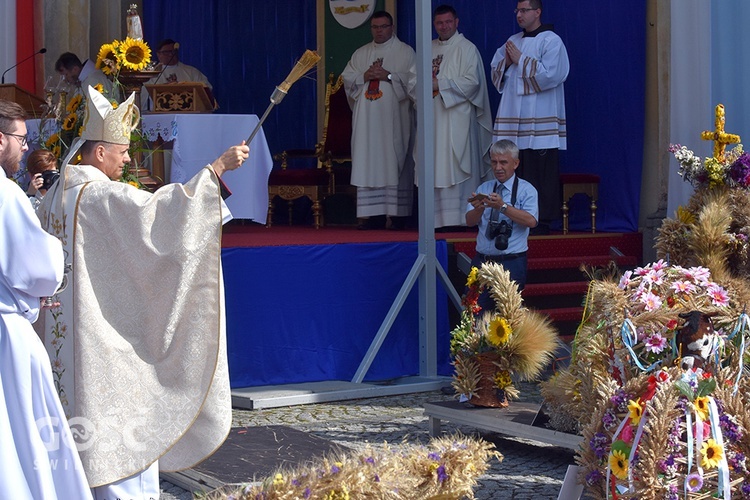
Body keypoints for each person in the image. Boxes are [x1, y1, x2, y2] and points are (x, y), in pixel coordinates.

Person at [37, 86, 247, 498]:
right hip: (101, 341)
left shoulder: (54, 197)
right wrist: (216, 171)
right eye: (121, 151)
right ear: (99, 153)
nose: (128, 159)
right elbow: (160, 222)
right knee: (121, 425)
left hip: (61, 339)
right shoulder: (99, 196)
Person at [0, 100, 92, 499]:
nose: (25, 148)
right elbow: (38, 266)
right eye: (21, 139)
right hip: (7, 336)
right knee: (21, 438)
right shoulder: (5, 194)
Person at [490, 0, 569, 234]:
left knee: (539, 170)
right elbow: (497, 74)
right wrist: (506, 61)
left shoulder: (552, 41)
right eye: (517, 11)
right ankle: (512, 216)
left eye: (524, 10)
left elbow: (553, 75)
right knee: (517, 166)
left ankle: (541, 219)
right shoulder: (512, 41)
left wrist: (521, 60)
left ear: (538, 12)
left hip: (540, 119)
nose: (519, 15)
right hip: (513, 116)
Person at [342, 11, 416, 230]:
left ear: (392, 27)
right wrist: (365, 76)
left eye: (383, 26)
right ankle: (372, 216)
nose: (379, 31)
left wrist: (389, 76)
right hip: (367, 124)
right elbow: (347, 79)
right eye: (375, 27)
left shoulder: (405, 52)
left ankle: (398, 215)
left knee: (393, 159)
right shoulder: (361, 53)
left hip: (393, 121)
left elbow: (414, 83)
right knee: (369, 160)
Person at [430, 4, 493, 229]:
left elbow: (472, 83)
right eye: (439, 22)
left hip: (458, 120)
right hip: (433, 121)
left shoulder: (467, 48)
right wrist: (423, 85)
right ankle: (436, 221)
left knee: (459, 164)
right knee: (435, 164)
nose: (444, 26)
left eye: (448, 22)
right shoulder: (428, 48)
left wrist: (439, 84)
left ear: (456, 22)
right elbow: (412, 82)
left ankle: (462, 219)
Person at [466, 139, 538, 311]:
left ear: (516, 163)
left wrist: (502, 207)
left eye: (503, 162)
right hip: (482, 262)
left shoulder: (527, 190)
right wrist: (479, 209)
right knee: (474, 314)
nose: (498, 168)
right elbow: (469, 221)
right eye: (494, 162)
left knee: (506, 318)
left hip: (511, 262)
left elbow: (531, 221)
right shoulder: (485, 187)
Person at [142, 39, 213, 110]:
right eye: (166, 52)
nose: (171, 54)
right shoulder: (151, 73)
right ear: (158, 54)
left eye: (173, 51)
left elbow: (206, 88)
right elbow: (143, 94)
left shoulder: (191, 72)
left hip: (187, 112)